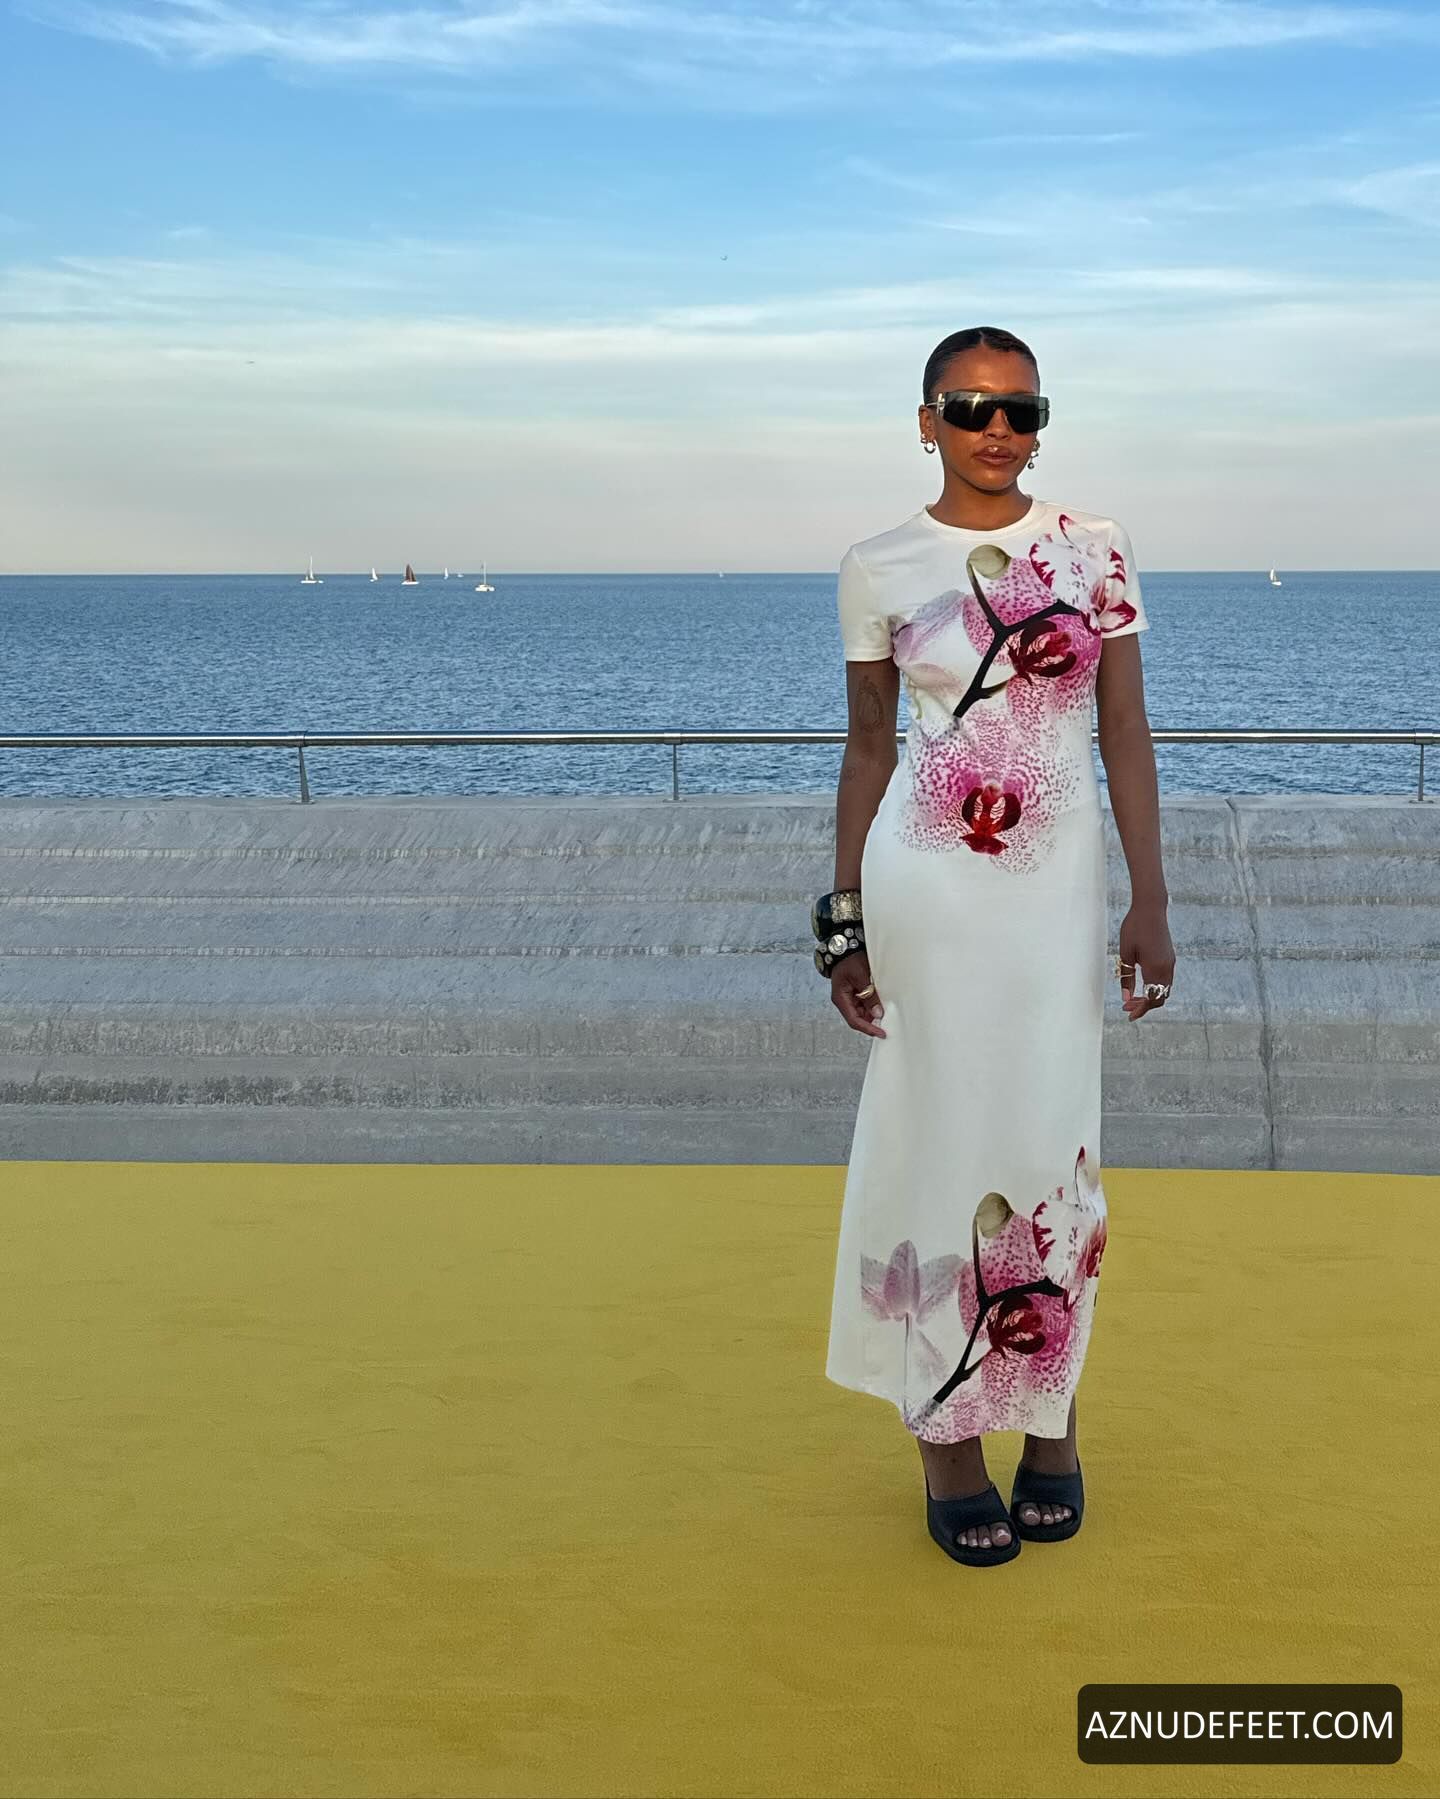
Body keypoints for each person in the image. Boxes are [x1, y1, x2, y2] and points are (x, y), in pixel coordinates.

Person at [818, 325, 1174, 1567]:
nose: (998, 430)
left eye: (1022, 409)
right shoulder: (876, 564)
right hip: (928, 891)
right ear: (927, 421)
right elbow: (870, 747)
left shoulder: (1094, 546)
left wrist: (1149, 899)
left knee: (1052, 1150)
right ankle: (948, 1445)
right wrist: (843, 921)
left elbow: (1123, 731)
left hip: (1055, 895)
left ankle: (1053, 1418)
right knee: (937, 1144)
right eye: (970, 407)